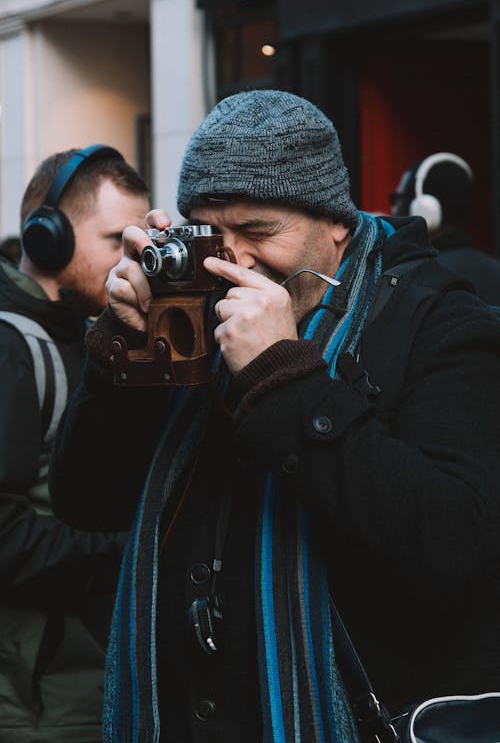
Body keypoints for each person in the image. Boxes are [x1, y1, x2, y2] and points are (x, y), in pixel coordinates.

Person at [50, 93, 500, 743]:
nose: (235, 264)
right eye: (211, 233)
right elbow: (86, 499)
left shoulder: (441, 326)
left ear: (336, 225)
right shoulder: (192, 323)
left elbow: (456, 544)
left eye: (259, 232)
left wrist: (287, 380)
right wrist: (123, 352)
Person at [0, 145, 149, 743]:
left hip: (81, 683)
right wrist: (132, 556)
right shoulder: (14, 348)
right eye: (116, 240)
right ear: (47, 239)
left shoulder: (91, 336)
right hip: (37, 699)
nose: (132, 259)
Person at [390, 151, 500, 304]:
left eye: (396, 199)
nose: (393, 210)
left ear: (423, 209)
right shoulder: (494, 270)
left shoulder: (417, 279)